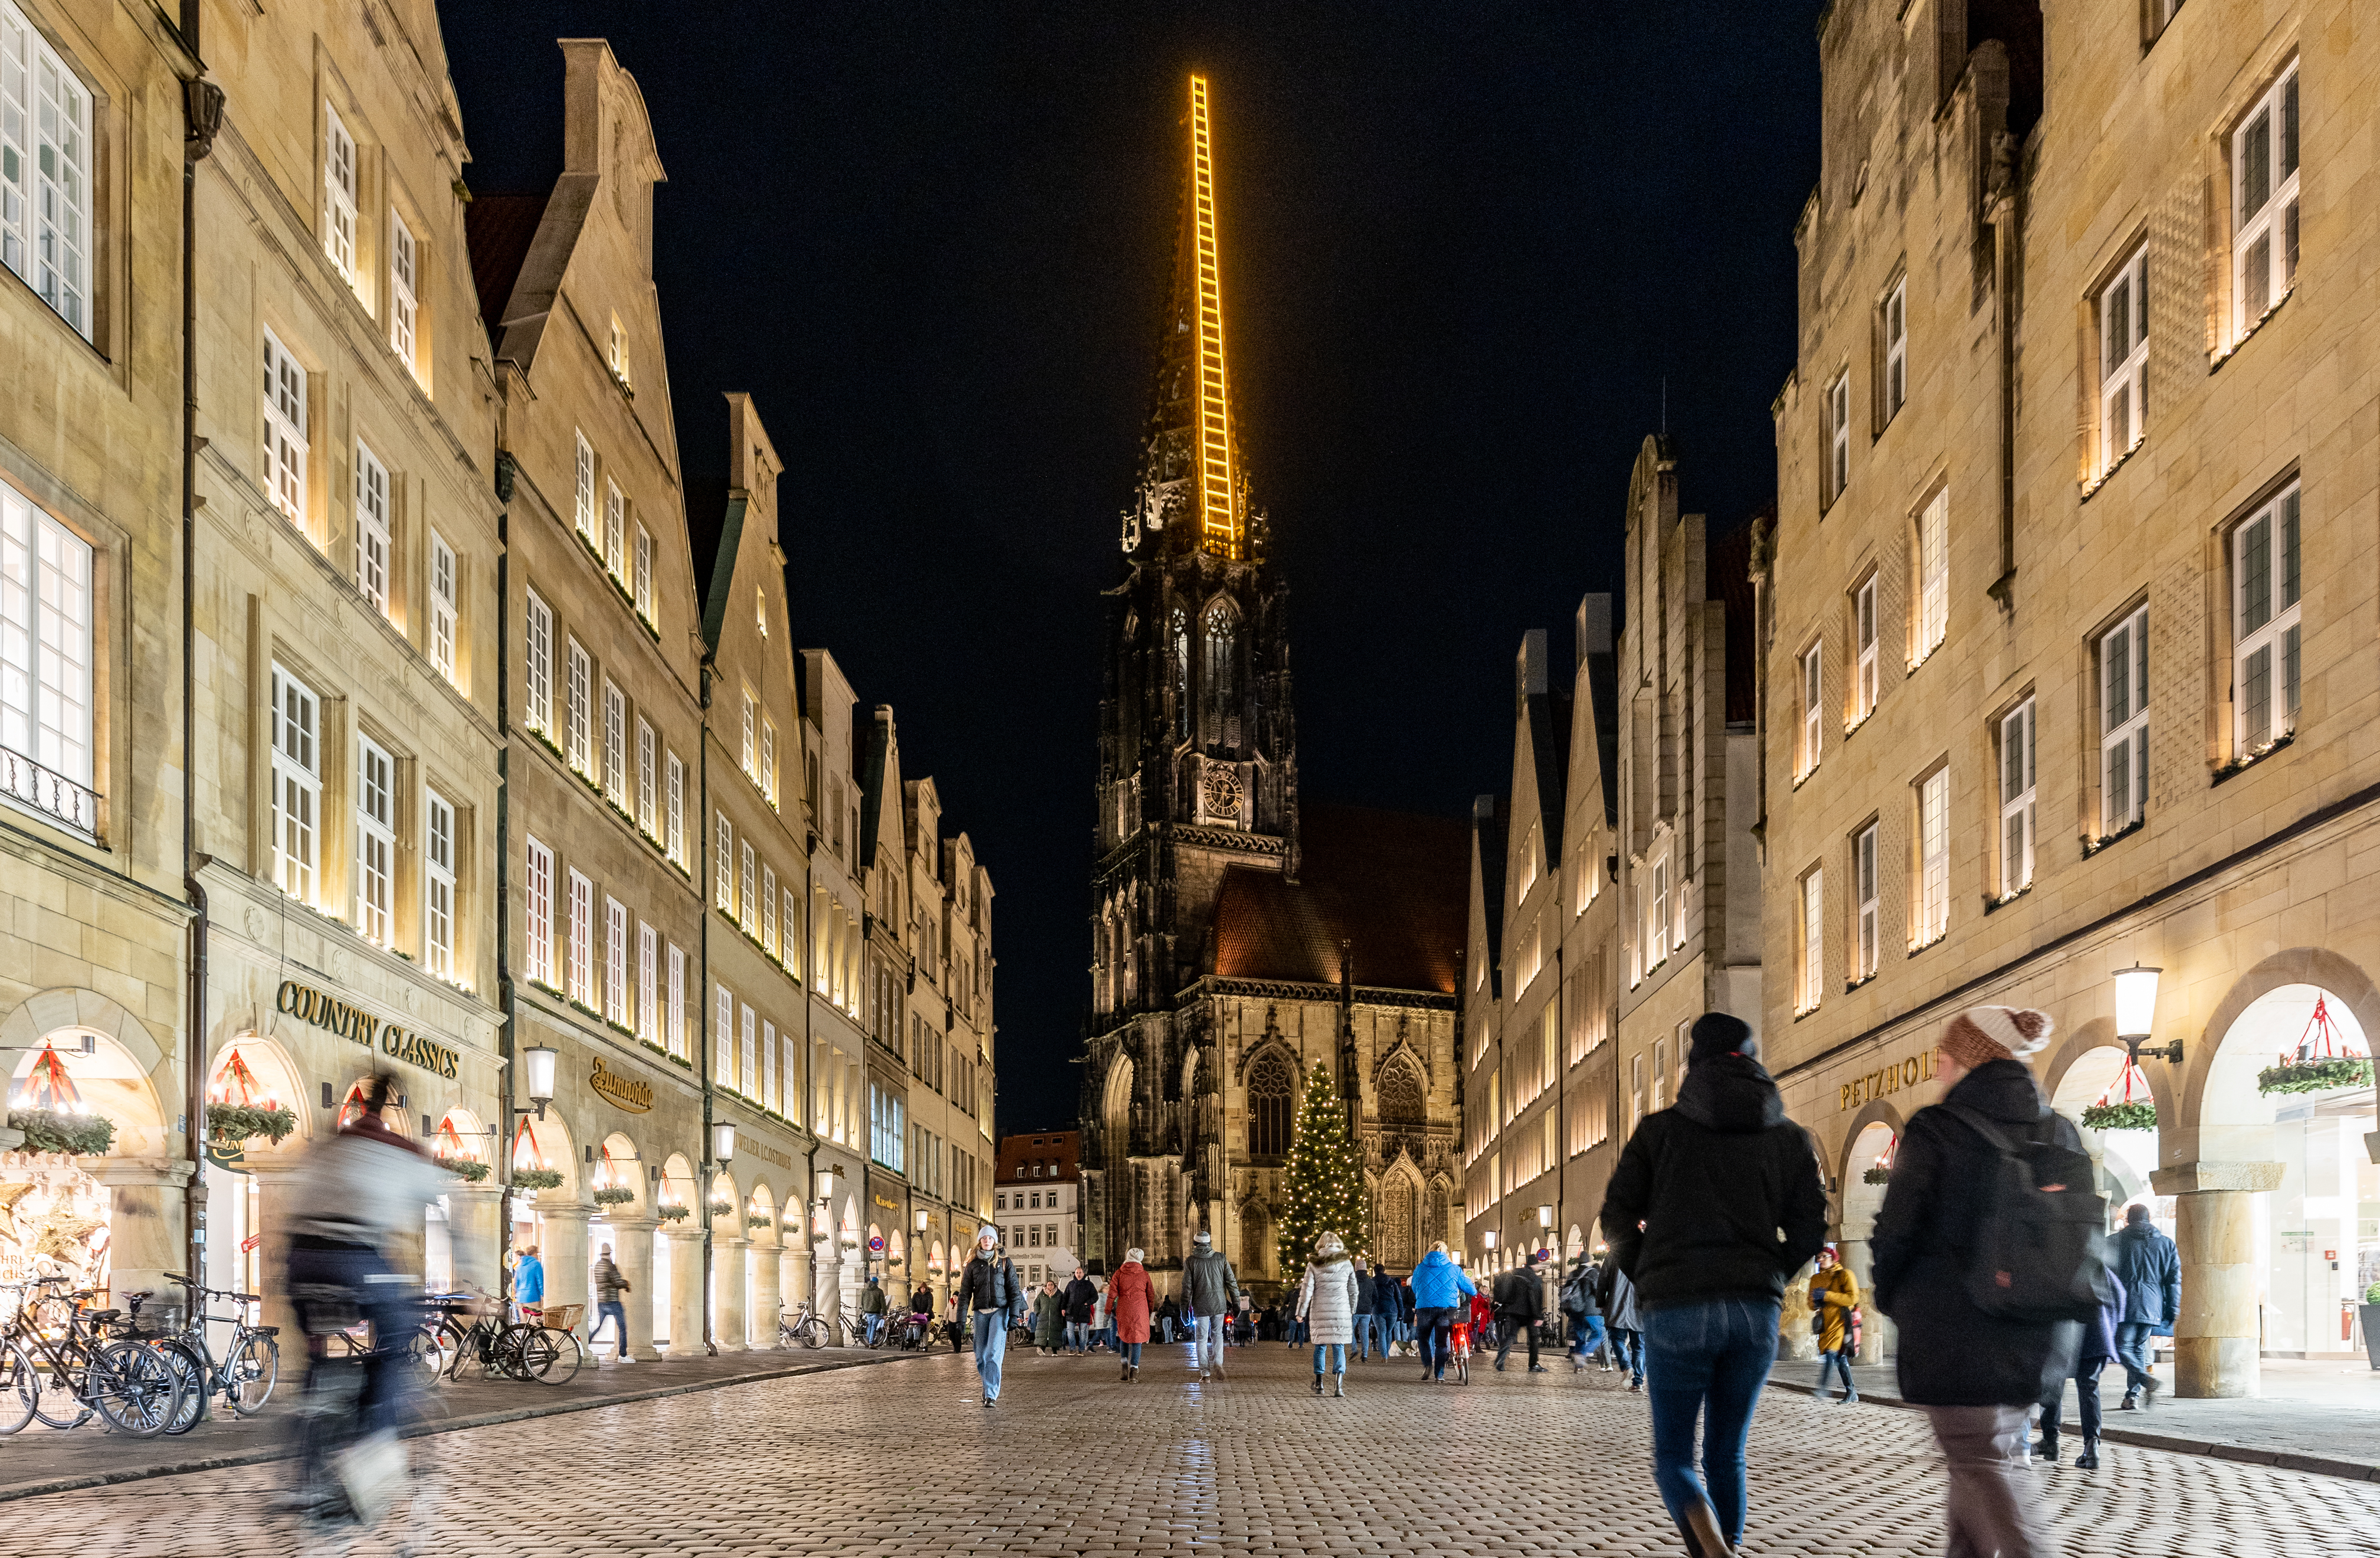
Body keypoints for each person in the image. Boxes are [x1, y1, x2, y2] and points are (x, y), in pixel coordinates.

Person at [1600, 1012, 1827, 1558]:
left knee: (1675, 1458)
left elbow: (1615, 1219)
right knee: (1728, 1454)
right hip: (1754, 1310)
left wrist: (1650, 1273)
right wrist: (1771, 1273)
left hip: (1677, 1306)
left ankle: (1714, 1551)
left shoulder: (1659, 1133)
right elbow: (1811, 1226)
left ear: (1693, 1064)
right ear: (1753, 1059)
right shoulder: (1789, 1138)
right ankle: (1729, 1545)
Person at [1874, 1005, 2083, 1558]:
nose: (1940, 1071)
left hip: (1953, 1329)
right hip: (2041, 1328)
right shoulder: (2059, 1128)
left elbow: (1897, 1230)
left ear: (1969, 1059)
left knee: (1985, 1463)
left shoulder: (1937, 1129)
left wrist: (1892, 1296)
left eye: (1945, 1059)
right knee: (1986, 1458)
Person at [281, 1072, 450, 1517]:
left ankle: (303, 1472)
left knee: (316, 1355)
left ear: (361, 1108)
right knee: (397, 1339)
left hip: (300, 1261)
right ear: (391, 1110)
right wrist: (472, 1285)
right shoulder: (406, 1153)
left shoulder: (328, 1146)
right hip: (357, 1258)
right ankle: (373, 1445)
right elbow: (454, 1225)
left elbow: (291, 1209)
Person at [2039, 1266, 2126, 1468]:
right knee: (2089, 1389)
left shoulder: (2060, 1263)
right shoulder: (2098, 1266)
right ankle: (2091, 1446)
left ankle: (2050, 1441)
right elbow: (2120, 1295)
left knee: (2052, 1385)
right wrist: (2110, 1326)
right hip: (2096, 1336)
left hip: (2064, 1335)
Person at [2110, 1203, 2179, 1409]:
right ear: (2149, 1219)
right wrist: (2172, 1308)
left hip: (2124, 1303)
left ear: (2128, 1219)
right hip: (2152, 1304)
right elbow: (2173, 1280)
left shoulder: (2115, 1242)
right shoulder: (2166, 1244)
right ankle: (2132, 1396)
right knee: (2138, 1348)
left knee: (2121, 1347)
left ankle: (2145, 1381)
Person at [955, 1226, 1027, 1406]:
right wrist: (960, 1320)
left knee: (992, 1354)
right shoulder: (972, 1265)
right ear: (980, 1241)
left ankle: (991, 1395)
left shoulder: (1004, 1262)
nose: (987, 1240)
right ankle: (987, 1385)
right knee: (980, 1356)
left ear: (995, 1241)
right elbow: (964, 1294)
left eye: (990, 1238)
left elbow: (1014, 1291)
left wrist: (1014, 1316)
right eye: (984, 1238)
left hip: (1000, 1312)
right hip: (980, 1313)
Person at [1297, 1231, 1361, 1396]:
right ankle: (1338, 1386)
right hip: (1341, 1310)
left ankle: (1319, 1384)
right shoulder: (1346, 1264)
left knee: (1320, 1347)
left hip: (1320, 1309)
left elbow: (1307, 1290)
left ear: (1321, 1245)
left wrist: (1301, 1312)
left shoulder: (1314, 1264)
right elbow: (1353, 1290)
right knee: (1339, 1346)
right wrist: (1352, 1309)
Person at [1408, 1240, 1477, 1383]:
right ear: (1447, 1253)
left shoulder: (1420, 1268)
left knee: (1423, 1338)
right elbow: (1470, 1289)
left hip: (1424, 1308)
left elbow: (1414, 1288)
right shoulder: (1454, 1268)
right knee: (1441, 1343)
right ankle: (1439, 1374)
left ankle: (1427, 1364)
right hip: (1446, 1310)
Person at [1184, 1229, 1241, 1379]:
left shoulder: (1191, 1261)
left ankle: (1205, 1373)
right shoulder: (1221, 1258)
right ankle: (1218, 1363)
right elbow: (1232, 1283)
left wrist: (1184, 1309)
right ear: (1209, 1243)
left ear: (1195, 1244)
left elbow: (1187, 1288)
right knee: (1218, 1334)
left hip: (1200, 1305)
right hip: (1219, 1304)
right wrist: (1236, 1303)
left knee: (1201, 1338)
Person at [1808, 1245, 1861, 1403]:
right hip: (1826, 1323)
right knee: (1840, 1358)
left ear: (1833, 1258)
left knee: (1832, 1353)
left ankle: (1823, 1388)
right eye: (1818, 1257)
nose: (1820, 1260)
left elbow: (1852, 1299)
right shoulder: (1815, 1279)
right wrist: (1816, 1301)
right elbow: (1810, 1305)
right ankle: (1851, 1392)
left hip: (1842, 1322)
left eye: (1824, 1256)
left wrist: (1827, 1295)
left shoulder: (1845, 1275)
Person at [1494, 1250, 1550, 1373]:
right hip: (1529, 1313)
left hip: (1513, 1310)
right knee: (1534, 1338)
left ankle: (1500, 1358)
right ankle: (1533, 1364)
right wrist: (1538, 1316)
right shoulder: (1534, 1278)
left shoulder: (1515, 1273)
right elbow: (1535, 1298)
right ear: (1534, 1265)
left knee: (1511, 1336)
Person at [1109, 1246, 1155, 1380]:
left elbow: (1112, 1293)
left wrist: (1108, 1309)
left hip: (1124, 1308)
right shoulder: (1144, 1274)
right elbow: (1151, 1295)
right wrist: (1150, 1311)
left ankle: (1124, 1364)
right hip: (1140, 1309)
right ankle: (1134, 1370)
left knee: (1124, 1337)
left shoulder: (1119, 1273)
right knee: (1137, 1340)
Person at [1561, 1253, 1607, 1373]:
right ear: (1589, 1261)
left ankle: (1579, 1367)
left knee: (1580, 1337)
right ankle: (1584, 1353)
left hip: (1575, 1311)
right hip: (1591, 1311)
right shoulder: (1592, 1273)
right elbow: (1598, 1291)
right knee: (1599, 1333)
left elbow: (1565, 1293)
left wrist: (1568, 1310)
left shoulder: (1572, 1274)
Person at [1603, 1259, 1644, 1389]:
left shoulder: (1615, 1255)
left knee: (1617, 1340)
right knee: (1639, 1347)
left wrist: (1600, 1302)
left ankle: (1626, 1367)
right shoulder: (1646, 1251)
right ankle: (1638, 1383)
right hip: (1639, 1308)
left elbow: (1603, 1279)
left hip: (1617, 1305)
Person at [590, 1244, 631, 1362]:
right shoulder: (610, 1266)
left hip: (601, 1301)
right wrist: (626, 1284)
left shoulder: (597, 1266)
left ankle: (584, 1344)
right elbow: (617, 1281)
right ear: (610, 1254)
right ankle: (623, 1355)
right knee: (622, 1328)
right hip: (613, 1301)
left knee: (598, 1327)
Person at [1062, 1266, 1097, 1354]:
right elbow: (1065, 1297)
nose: (1079, 1274)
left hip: (1084, 1311)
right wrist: (1063, 1308)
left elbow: (1095, 1297)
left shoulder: (1089, 1284)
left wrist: (1087, 1303)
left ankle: (1081, 1349)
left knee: (1083, 1332)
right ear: (1075, 1274)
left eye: (1080, 1272)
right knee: (1070, 1331)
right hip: (1071, 1311)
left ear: (1083, 1274)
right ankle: (1072, 1348)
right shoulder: (1070, 1284)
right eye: (1077, 1273)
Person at [1350, 1256, 1376, 1360]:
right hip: (1366, 1311)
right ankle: (1365, 1355)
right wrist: (1370, 1305)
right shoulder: (1371, 1282)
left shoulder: (1353, 1281)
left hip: (1354, 1310)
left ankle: (1354, 1349)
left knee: (1350, 1330)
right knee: (1365, 1333)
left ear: (1356, 1269)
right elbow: (1376, 1297)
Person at [512, 1244, 545, 1321]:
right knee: (535, 1323)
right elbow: (540, 1282)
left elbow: (517, 1284)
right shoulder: (536, 1264)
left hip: (521, 1299)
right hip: (532, 1298)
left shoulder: (520, 1266)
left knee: (524, 1326)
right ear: (534, 1253)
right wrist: (544, 1296)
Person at [1032, 1278, 1065, 1356]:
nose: (1050, 1286)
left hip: (1056, 1317)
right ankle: (1042, 1349)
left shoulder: (1059, 1294)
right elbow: (1036, 1303)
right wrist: (1038, 1312)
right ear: (1046, 1286)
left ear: (1054, 1286)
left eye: (1051, 1285)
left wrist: (1062, 1311)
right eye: (1048, 1285)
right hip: (1043, 1317)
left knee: (1054, 1334)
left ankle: (1055, 1352)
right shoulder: (1042, 1295)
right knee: (1043, 1334)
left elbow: (1064, 1303)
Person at [860, 1275, 888, 1345]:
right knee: (874, 1326)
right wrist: (885, 1313)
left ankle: (868, 1339)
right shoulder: (879, 1291)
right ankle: (871, 1342)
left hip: (867, 1312)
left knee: (869, 1325)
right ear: (877, 1283)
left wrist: (864, 1309)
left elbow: (862, 1302)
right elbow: (883, 1303)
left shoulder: (864, 1291)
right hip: (876, 1312)